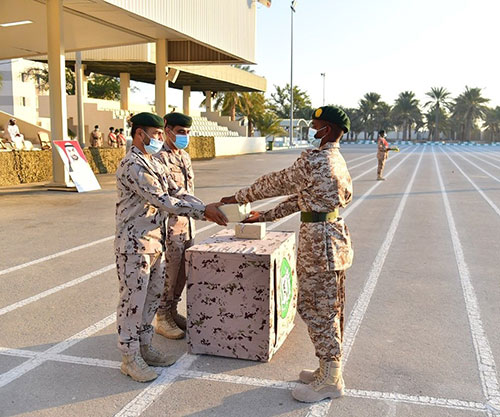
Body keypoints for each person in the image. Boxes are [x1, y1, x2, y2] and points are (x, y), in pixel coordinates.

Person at [221, 106, 354, 403]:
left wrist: (240, 197)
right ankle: (326, 368)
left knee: (319, 309)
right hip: (328, 239)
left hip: (321, 245)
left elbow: (278, 182)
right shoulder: (335, 158)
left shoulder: (316, 160)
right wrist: (266, 216)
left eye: (315, 125)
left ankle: (331, 377)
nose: (311, 129)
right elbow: (302, 199)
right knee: (324, 306)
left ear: (328, 130)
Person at [114, 112, 227, 383]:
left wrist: (208, 207)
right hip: (135, 245)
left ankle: (144, 347)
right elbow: (164, 200)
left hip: (156, 242)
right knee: (133, 302)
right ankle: (129, 357)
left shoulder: (154, 162)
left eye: (157, 134)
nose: (157, 139)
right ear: (138, 134)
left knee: (151, 298)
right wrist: (203, 211)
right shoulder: (133, 165)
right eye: (153, 135)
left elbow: (177, 191)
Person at [153, 112, 194, 340]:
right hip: (168, 227)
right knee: (168, 273)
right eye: (180, 132)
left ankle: (172, 310)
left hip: (186, 224)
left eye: (187, 133)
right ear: (167, 129)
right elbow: (169, 196)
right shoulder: (159, 158)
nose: (184, 137)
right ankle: (161, 317)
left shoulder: (184, 156)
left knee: (183, 272)